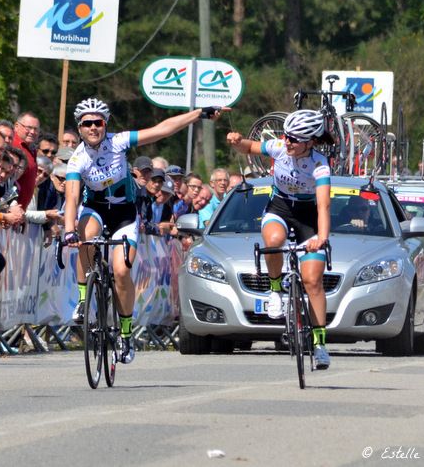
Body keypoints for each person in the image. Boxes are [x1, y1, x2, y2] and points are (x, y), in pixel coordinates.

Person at [63, 98, 228, 364]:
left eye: (98, 122)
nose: (93, 127)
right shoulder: (77, 159)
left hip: (124, 213)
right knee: (84, 236)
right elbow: (72, 198)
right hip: (94, 208)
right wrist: (69, 230)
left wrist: (198, 114)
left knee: (120, 271)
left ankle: (126, 335)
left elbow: (161, 129)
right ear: (79, 128)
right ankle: (83, 300)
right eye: (87, 123)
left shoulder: (118, 141)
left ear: (105, 124)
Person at [227, 109, 333, 370]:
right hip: (281, 207)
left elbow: (323, 206)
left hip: (309, 214)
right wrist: (237, 141)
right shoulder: (279, 148)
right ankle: (275, 289)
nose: (287, 142)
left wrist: (321, 238)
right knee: (273, 240)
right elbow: (250, 147)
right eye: (286, 136)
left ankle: (320, 345)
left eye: (294, 139)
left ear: (311, 141)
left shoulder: (320, 165)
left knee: (312, 280)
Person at [12, 111, 40, 209]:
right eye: (28, 128)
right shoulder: (12, 146)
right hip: (10, 210)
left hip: (21, 212)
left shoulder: (31, 149)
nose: (32, 132)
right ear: (16, 126)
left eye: (35, 129)